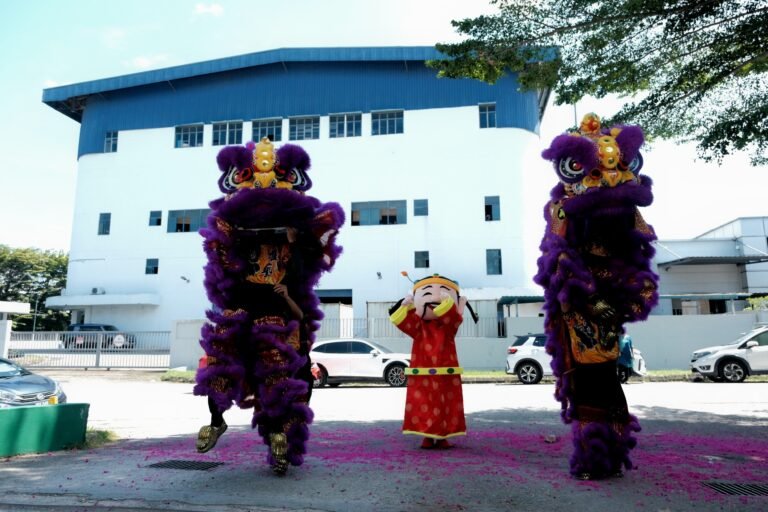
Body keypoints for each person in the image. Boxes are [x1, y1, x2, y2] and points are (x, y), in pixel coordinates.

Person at [194, 138, 344, 475]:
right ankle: (216, 420)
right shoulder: (236, 245)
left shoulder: (295, 250)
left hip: (277, 311)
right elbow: (219, 256)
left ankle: (279, 437)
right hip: (243, 307)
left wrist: (288, 279)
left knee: (277, 370)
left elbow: (316, 253)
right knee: (220, 359)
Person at [534, 114, 658, 480]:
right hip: (581, 310)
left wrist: (632, 294)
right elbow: (556, 261)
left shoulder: (624, 211)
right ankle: (595, 455)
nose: (610, 176)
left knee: (607, 381)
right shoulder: (562, 210)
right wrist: (589, 298)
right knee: (589, 382)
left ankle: (610, 452)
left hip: (610, 307)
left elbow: (638, 252)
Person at [389, 274, 468, 449]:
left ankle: (441, 436)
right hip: (422, 373)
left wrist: (449, 305)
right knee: (423, 404)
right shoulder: (419, 327)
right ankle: (427, 436)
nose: (434, 298)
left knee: (444, 404)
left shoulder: (448, 327)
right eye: (426, 294)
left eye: (443, 293)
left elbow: (453, 319)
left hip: (445, 374)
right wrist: (407, 307)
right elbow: (403, 322)